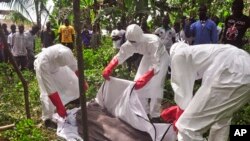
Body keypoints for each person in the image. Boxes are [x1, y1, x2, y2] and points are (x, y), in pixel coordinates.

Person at [169, 41, 250, 141]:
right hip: (245, 69)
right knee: (222, 118)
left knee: (186, 128)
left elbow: (182, 93)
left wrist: (181, 115)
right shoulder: (206, 51)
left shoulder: (179, 54)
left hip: (229, 71)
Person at [102, 24, 170, 121]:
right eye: (131, 41)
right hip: (147, 57)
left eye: (134, 42)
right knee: (137, 85)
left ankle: (155, 115)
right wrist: (110, 67)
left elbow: (156, 64)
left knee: (156, 86)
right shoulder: (130, 42)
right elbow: (121, 54)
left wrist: (146, 78)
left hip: (161, 59)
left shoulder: (152, 42)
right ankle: (144, 112)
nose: (132, 44)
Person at [34, 44, 88, 128]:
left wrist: (82, 81)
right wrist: (59, 106)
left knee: (72, 80)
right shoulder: (43, 63)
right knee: (46, 94)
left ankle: (74, 100)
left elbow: (74, 67)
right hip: (45, 72)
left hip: (58, 68)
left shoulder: (66, 52)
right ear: (56, 59)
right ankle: (48, 118)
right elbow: (50, 88)